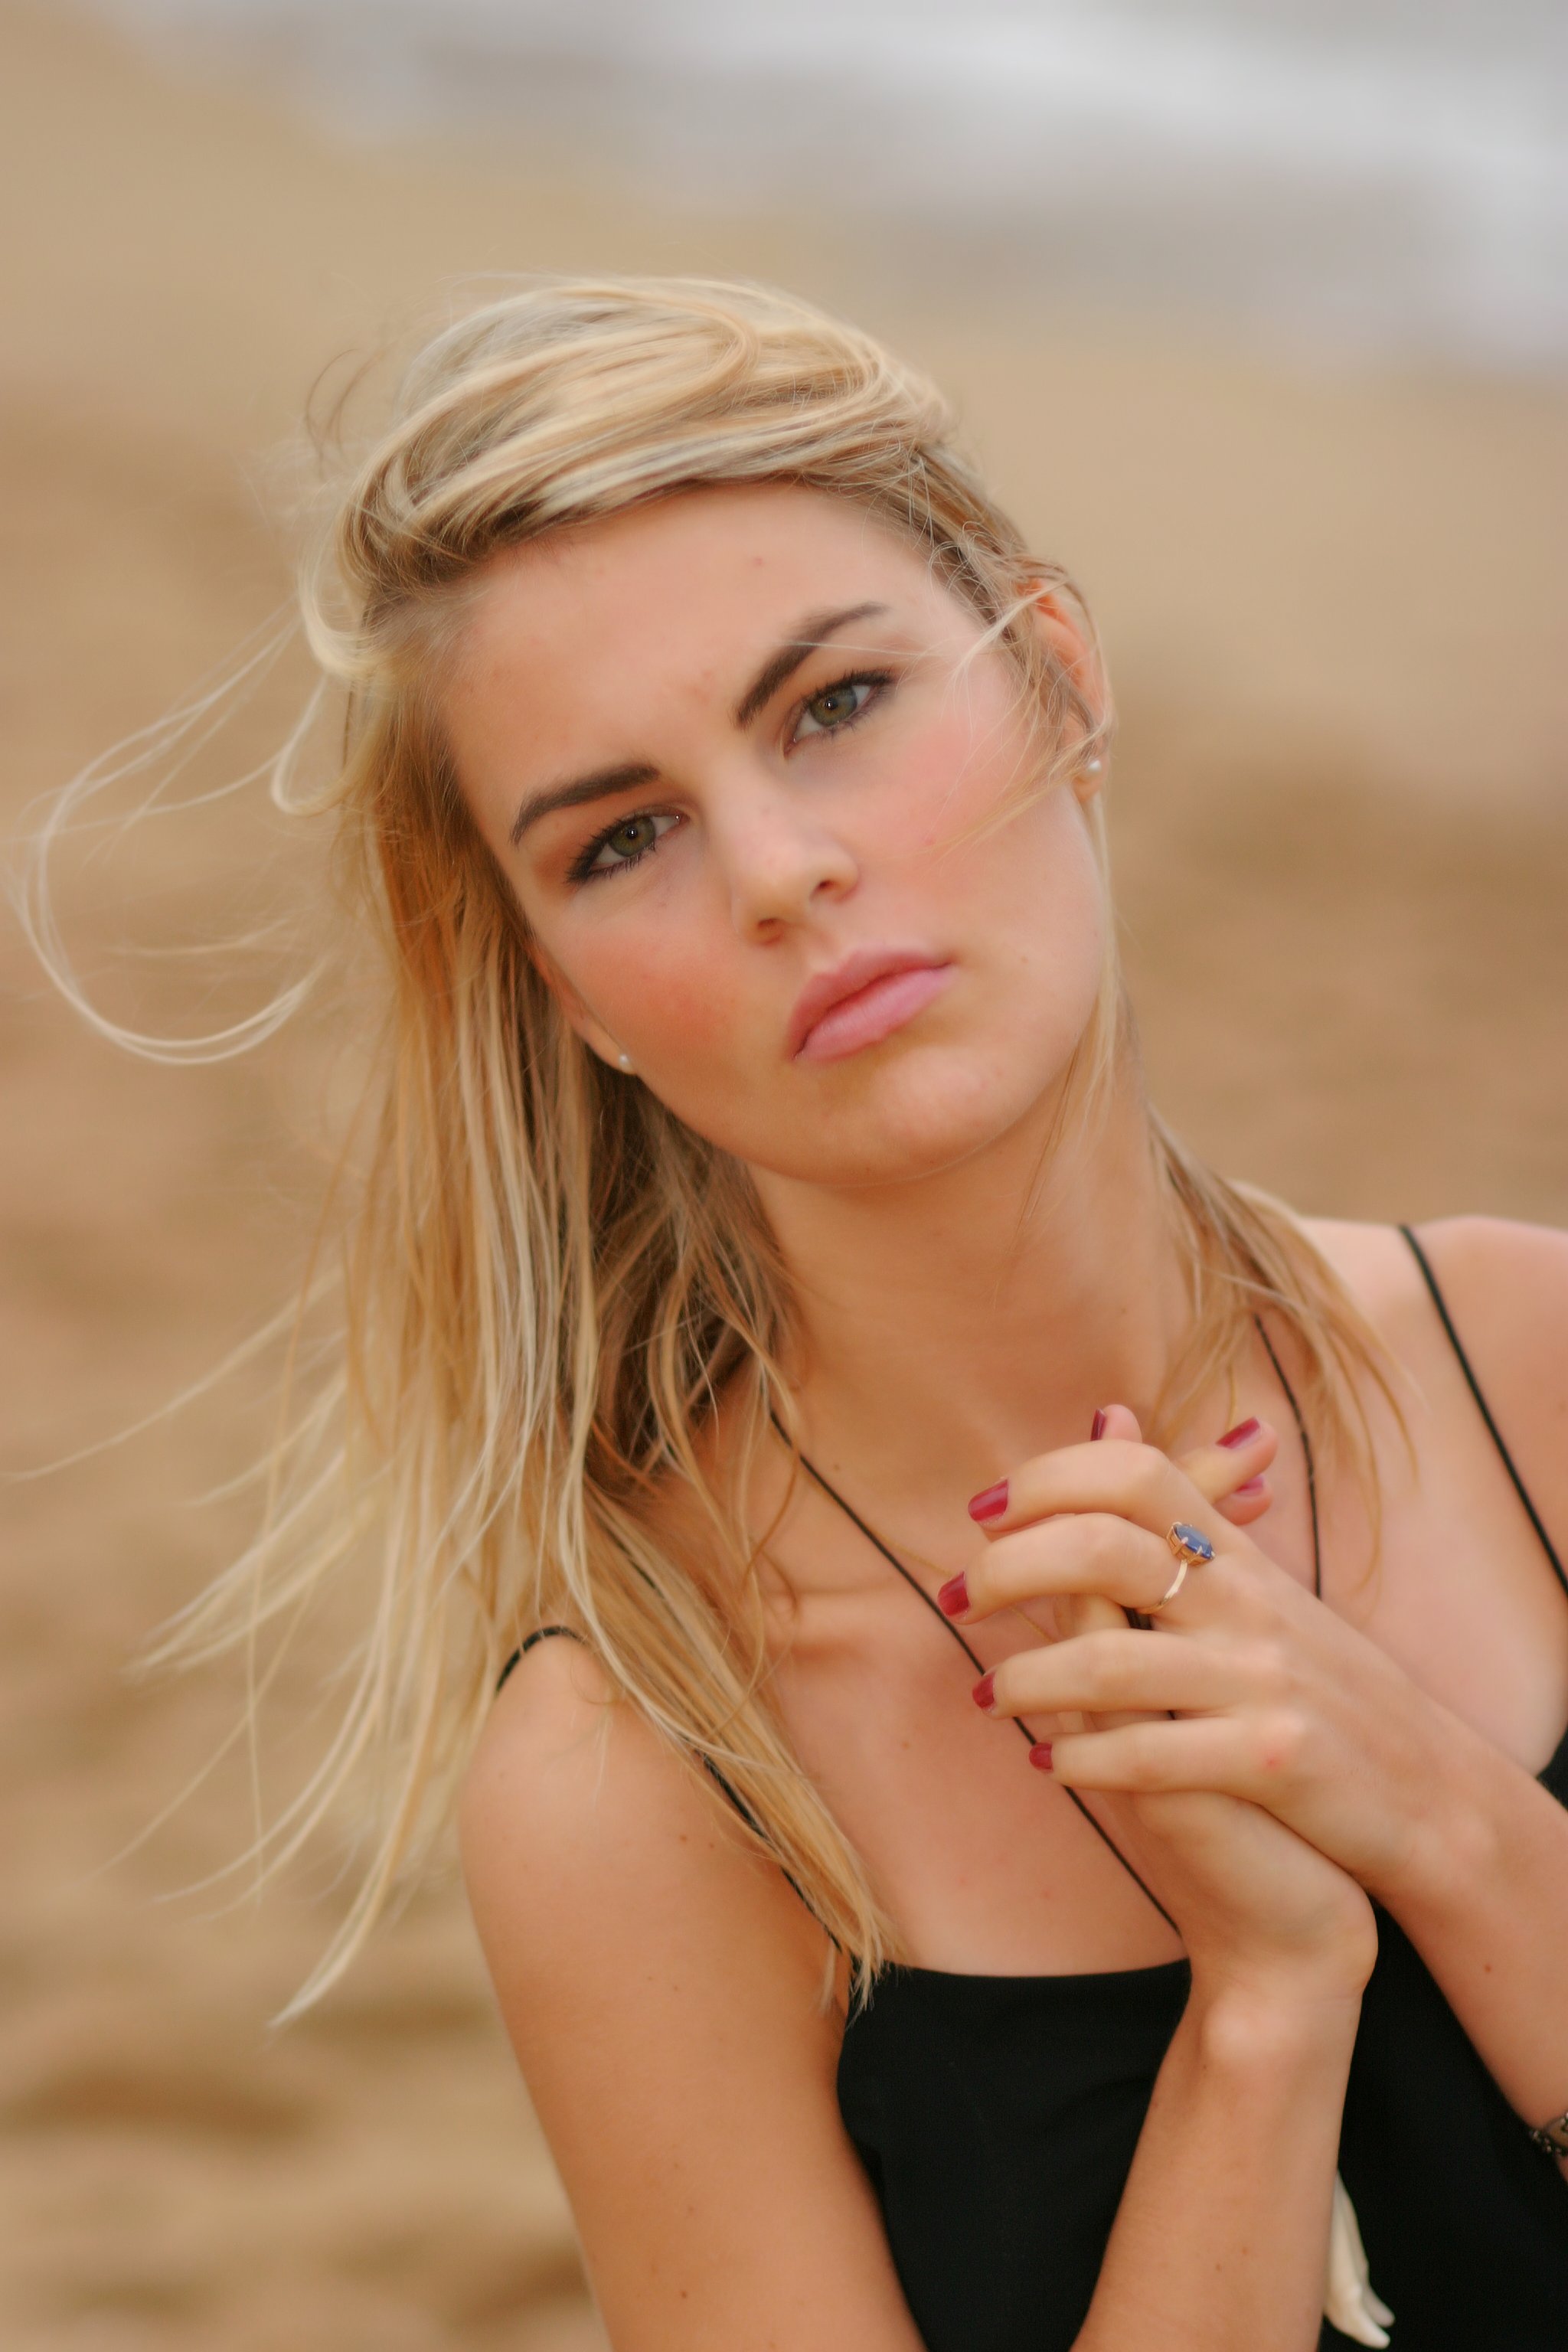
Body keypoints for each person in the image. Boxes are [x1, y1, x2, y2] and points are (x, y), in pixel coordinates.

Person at [49, 278, 1568, 2349]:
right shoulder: (647, 1767)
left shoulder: (1534, 1376)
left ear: (1058, 680)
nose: (777, 870)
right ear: (571, 996)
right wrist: (1268, 2002)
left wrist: (1451, 1820)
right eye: (623, 838)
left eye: (837, 705)